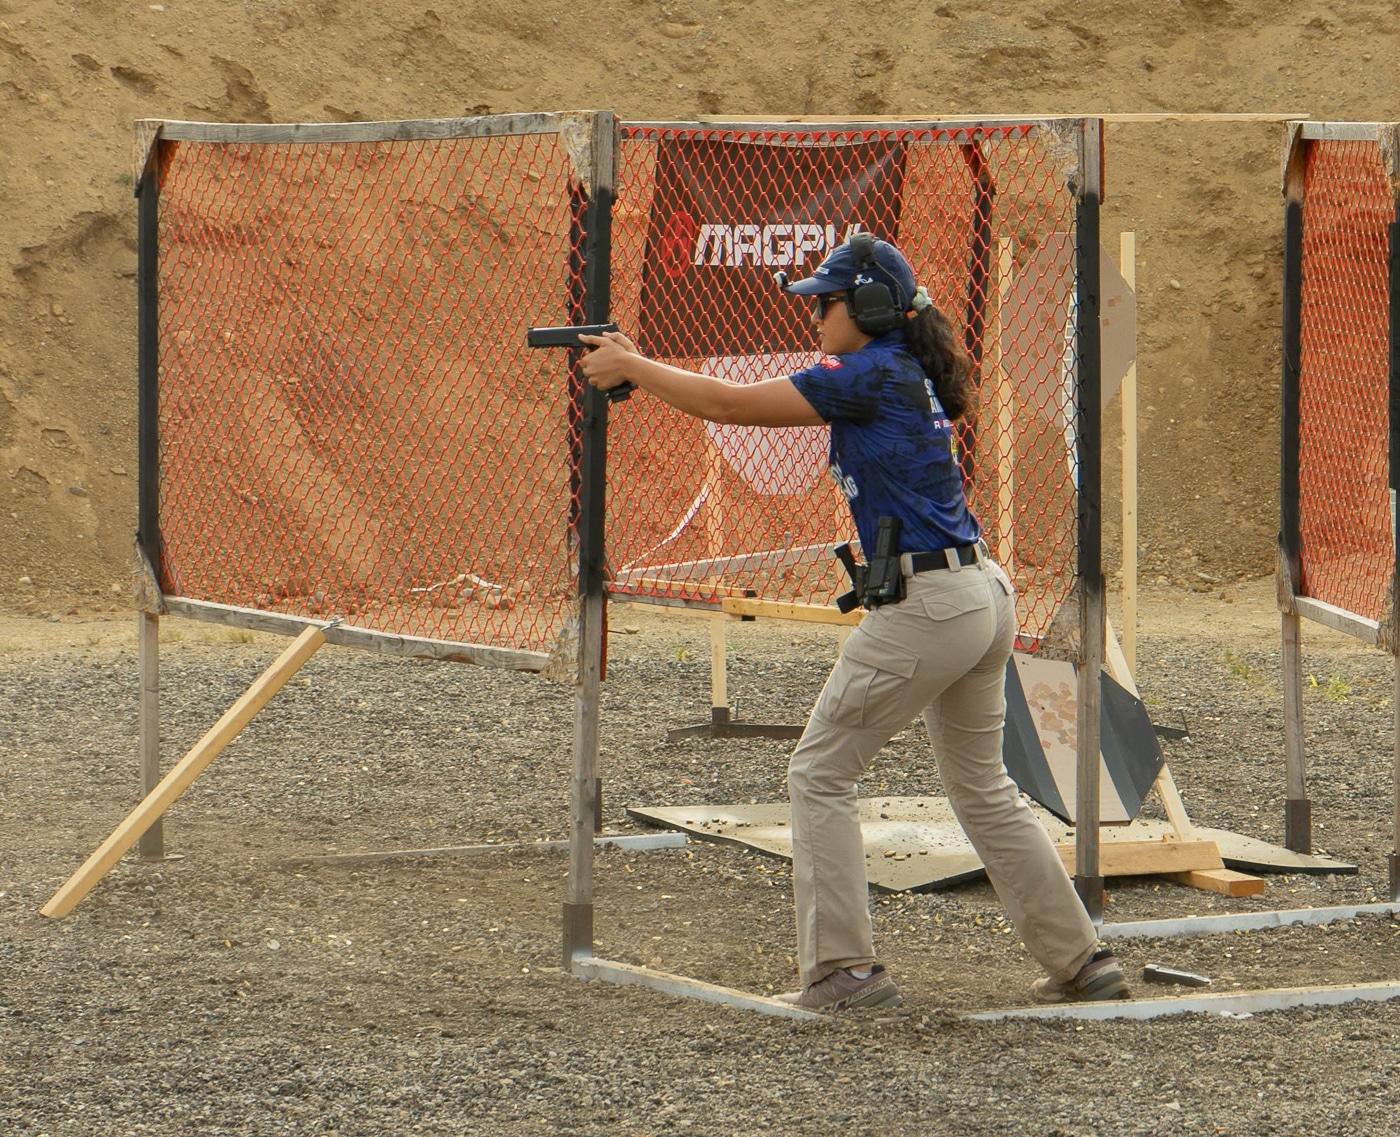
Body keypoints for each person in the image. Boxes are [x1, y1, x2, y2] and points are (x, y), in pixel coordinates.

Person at [579, 235, 1130, 1012]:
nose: (817, 313)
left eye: (829, 302)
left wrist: (634, 370)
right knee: (983, 789)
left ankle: (846, 969)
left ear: (871, 309)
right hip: (978, 592)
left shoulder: (870, 370)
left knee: (819, 771)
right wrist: (639, 362)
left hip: (932, 604)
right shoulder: (900, 369)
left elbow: (732, 405)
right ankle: (1082, 958)